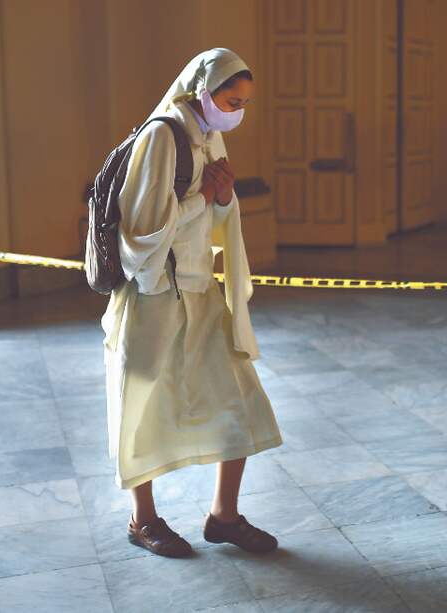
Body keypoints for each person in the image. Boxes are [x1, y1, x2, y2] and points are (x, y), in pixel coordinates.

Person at [100, 48, 283, 559]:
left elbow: (214, 216)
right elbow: (140, 236)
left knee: (239, 395)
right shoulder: (163, 135)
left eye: (244, 102)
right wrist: (206, 197)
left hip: (200, 290)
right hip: (154, 294)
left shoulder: (210, 134)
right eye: (230, 99)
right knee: (141, 403)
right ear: (202, 90)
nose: (237, 110)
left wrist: (221, 199)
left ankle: (224, 517)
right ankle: (143, 520)